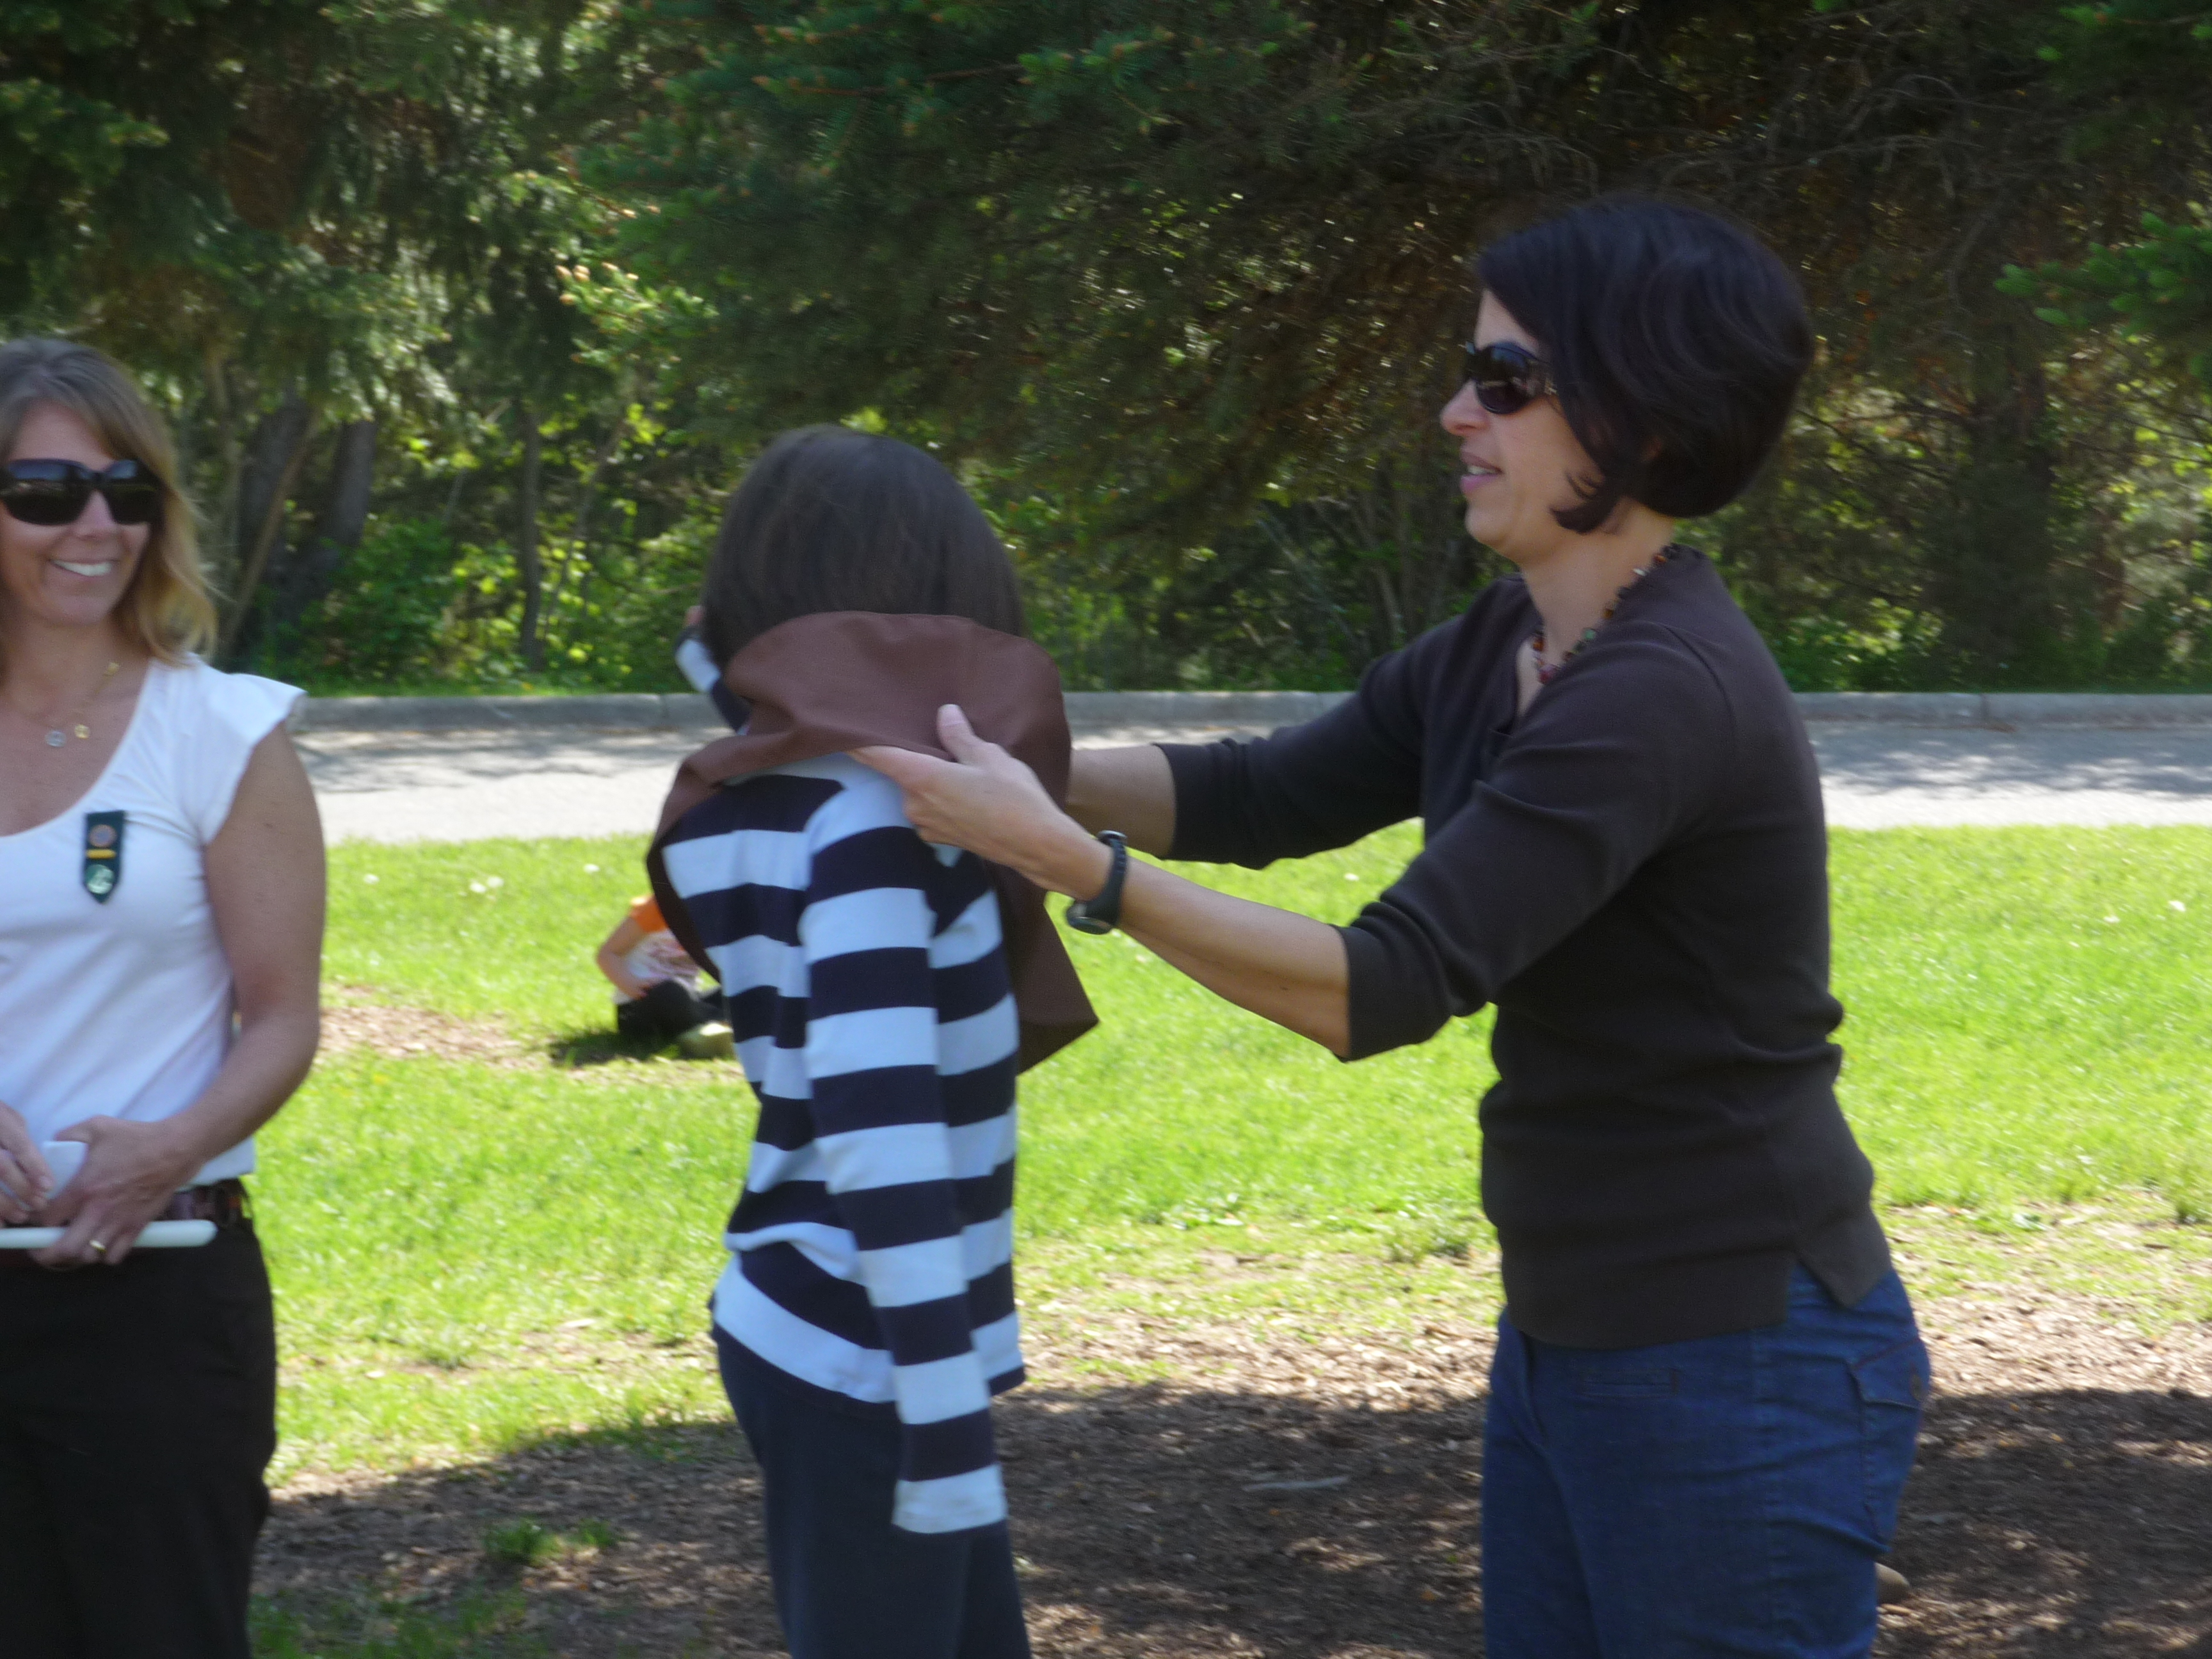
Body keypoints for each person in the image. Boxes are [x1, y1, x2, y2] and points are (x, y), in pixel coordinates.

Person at [856, 197, 1930, 1656]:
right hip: (1579, 1333)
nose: (1453, 412)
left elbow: (1380, 986)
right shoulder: (1514, 641)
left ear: (1640, 412)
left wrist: (1070, 863)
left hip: (1733, 1352)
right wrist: (985, 761)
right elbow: (1259, 791)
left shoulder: (1657, 691)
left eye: (1503, 379)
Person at [642, 425, 1094, 1659]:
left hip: (833, 1321)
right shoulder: (873, 830)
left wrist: (718, 649)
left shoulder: (756, 796)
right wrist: (942, 1414)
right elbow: (874, 1119)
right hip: (875, 1349)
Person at [0, 339, 324, 1658]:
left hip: (158, 1295)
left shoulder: (224, 731)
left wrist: (169, 1150)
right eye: (45, 493)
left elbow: (284, 1016)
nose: (95, 526)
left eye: (126, 491)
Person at [592, 892, 732, 1057]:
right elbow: (607, 954)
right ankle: (721, 1025)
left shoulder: (716, 913)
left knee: (737, 991)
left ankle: (711, 1028)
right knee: (672, 993)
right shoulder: (657, 907)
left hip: (689, 1003)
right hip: (640, 1007)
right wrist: (632, 985)